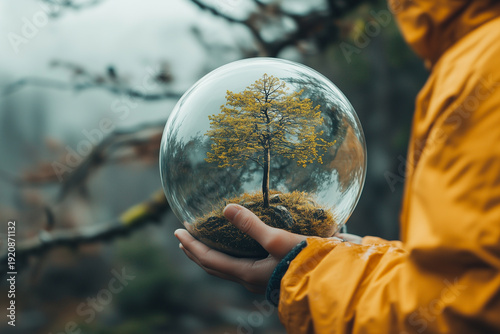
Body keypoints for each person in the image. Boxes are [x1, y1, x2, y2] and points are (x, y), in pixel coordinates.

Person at [175, 1, 500, 332]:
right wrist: (349, 255)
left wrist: (302, 272)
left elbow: (462, 311)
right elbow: (459, 277)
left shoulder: (484, 69)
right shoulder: (474, 55)